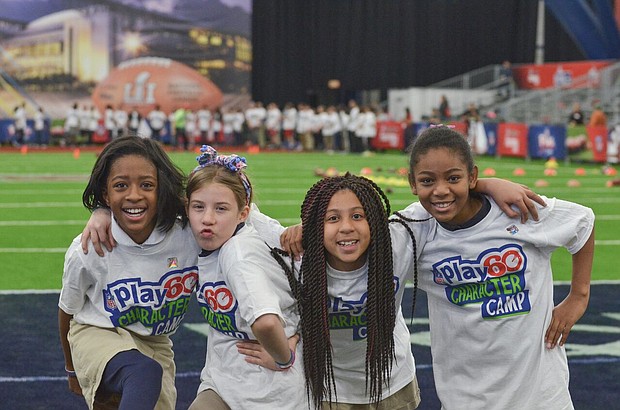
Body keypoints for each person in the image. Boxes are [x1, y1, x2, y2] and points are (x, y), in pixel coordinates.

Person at [239, 173, 543, 410]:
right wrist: (283, 351)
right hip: (328, 389)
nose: (346, 227)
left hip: (393, 386)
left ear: (377, 222)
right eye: (332, 218)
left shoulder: (399, 238)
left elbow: (439, 196)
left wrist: (488, 185)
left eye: (358, 216)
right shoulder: (297, 254)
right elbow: (244, 213)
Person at [400, 125, 595, 409]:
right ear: (413, 184)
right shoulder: (416, 230)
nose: (441, 190)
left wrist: (579, 295)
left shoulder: (517, 209)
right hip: (465, 399)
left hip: (542, 396)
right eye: (428, 181)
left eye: (454, 178)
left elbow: (583, 222)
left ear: (472, 176)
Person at [58, 136, 199, 410]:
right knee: (143, 372)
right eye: (121, 186)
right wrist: (71, 367)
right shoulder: (90, 247)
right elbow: (67, 310)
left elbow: (235, 213)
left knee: (147, 383)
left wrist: (295, 232)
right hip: (96, 331)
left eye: (147, 185)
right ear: (105, 194)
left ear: (163, 189)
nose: (134, 195)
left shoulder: (190, 235)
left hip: (155, 341)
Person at [186, 146, 306, 410]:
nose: (207, 219)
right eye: (198, 207)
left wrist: (284, 358)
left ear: (242, 213)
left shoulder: (237, 254)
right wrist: (102, 213)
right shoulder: (223, 229)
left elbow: (265, 323)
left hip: (270, 392)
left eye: (220, 209)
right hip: (224, 381)